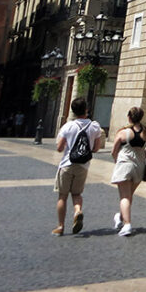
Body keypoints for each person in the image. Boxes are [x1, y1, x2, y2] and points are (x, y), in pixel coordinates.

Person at [52, 97, 104, 236]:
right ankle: (77, 211)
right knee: (77, 194)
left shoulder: (68, 126)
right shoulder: (94, 126)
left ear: (73, 111)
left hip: (67, 164)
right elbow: (96, 148)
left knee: (62, 196)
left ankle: (61, 226)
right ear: (86, 110)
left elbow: (59, 148)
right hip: (83, 166)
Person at [110, 106, 146, 237]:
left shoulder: (123, 132)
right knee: (128, 196)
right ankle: (120, 217)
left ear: (129, 117)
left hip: (124, 165)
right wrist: (142, 156)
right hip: (139, 168)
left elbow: (114, 151)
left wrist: (116, 160)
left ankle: (127, 224)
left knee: (124, 197)